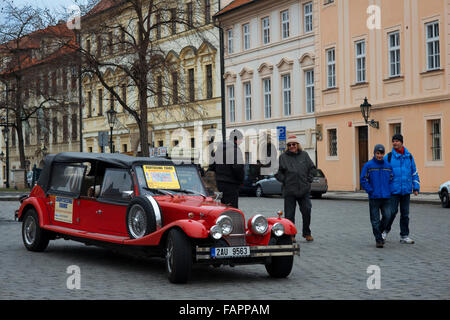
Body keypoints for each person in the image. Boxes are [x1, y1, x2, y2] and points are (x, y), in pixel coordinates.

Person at [275, 134, 315, 241]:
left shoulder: (305, 155)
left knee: (307, 211)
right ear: (287, 146)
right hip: (290, 190)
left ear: (298, 145)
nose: (292, 146)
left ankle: (307, 233)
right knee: (289, 215)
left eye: (294, 144)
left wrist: (309, 179)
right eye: (290, 145)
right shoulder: (283, 157)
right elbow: (277, 172)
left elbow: (312, 168)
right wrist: (285, 180)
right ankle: (290, 235)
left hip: (304, 189)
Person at [383, 134, 420, 244]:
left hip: (406, 190)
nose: (394, 143)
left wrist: (416, 187)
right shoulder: (388, 157)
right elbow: (383, 173)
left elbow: (414, 172)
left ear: (401, 142)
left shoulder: (409, 156)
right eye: (393, 141)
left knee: (405, 214)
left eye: (397, 141)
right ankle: (384, 231)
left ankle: (404, 235)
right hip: (393, 191)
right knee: (392, 212)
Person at [360, 144, 393, 248]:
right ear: (374, 153)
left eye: (381, 153)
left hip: (386, 197)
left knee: (388, 216)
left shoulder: (388, 166)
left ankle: (378, 232)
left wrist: (389, 190)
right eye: (378, 153)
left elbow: (392, 179)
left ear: (384, 154)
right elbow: (363, 179)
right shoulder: (368, 165)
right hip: (374, 197)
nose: (379, 155)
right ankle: (379, 240)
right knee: (375, 220)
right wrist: (370, 190)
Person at [209, 129, 245, 208]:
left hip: (220, 182)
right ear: (236, 139)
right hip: (231, 183)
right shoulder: (235, 149)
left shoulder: (219, 149)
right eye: (241, 139)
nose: (241, 142)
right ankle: (232, 220)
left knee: (224, 206)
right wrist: (241, 180)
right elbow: (238, 167)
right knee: (232, 208)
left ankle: (224, 219)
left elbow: (212, 165)